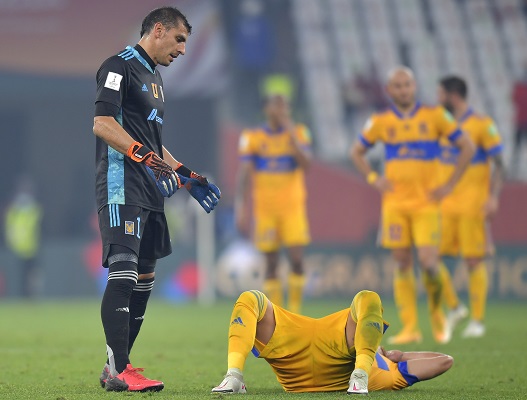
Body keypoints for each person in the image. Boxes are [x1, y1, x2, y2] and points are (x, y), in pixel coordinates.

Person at [92, 7, 221, 392]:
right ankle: (120, 368)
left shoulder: (156, 79)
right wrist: (144, 158)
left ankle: (117, 365)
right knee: (124, 272)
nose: (182, 50)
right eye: (179, 39)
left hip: (150, 190)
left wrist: (186, 176)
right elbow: (103, 124)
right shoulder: (119, 66)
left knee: (145, 279)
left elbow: (154, 145)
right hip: (121, 186)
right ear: (159, 30)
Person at [350, 67, 475, 344]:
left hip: (426, 204)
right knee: (402, 262)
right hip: (395, 205)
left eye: (407, 84)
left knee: (429, 261)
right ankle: (411, 328)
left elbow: (467, 146)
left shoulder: (435, 116)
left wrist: (450, 184)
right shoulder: (380, 121)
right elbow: (356, 152)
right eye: (398, 86)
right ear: (389, 91)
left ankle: (440, 316)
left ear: (414, 87)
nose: (403, 90)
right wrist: (373, 177)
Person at [211, 290, 453, 394]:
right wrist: (398, 357)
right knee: (368, 299)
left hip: (295, 356)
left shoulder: (393, 372)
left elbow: (444, 362)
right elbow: (444, 361)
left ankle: (234, 375)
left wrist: (398, 357)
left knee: (249, 299)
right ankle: (359, 379)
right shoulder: (393, 374)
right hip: (334, 345)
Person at [437, 76, 504, 338]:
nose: (438, 100)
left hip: (473, 205)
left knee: (473, 260)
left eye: (440, 95)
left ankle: (477, 320)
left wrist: (494, 197)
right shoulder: (441, 126)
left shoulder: (482, 124)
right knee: (431, 258)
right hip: (444, 205)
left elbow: (500, 163)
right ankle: (454, 307)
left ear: (453, 95)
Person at [235, 95, 311, 314]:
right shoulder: (253, 137)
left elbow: (306, 165)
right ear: (267, 109)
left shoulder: (300, 133)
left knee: (297, 260)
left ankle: (295, 311)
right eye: (275, 105)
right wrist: (241, 206)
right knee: (271, 264)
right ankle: (278, 314)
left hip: (293, 208)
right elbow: (244, 176)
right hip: (266, 210)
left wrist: (291, 135)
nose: (280, 110)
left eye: (284, 105)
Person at [4, 177, 42, 298]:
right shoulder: (14, 211)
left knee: (30, 277)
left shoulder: (33, 209)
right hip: (17, 249)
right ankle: (19, 298)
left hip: (31, 249)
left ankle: (30, 298)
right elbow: (9, 227)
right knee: (18, 278)